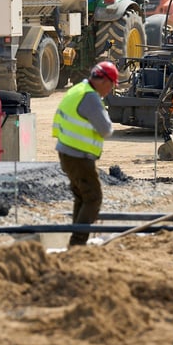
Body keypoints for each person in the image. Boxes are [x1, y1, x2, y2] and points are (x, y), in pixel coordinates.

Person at [52, 61, 118, 246]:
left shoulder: (77, 89)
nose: (110, 90)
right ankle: (77, 245)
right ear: (104, 81)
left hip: (66, 152)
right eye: (111, 85)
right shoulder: (90, 97)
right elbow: (105, 129)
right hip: (79, 157)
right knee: (93, 199)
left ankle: (76, 243)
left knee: (82, 197)